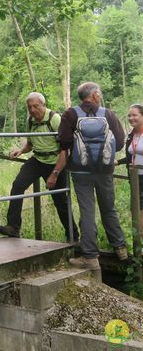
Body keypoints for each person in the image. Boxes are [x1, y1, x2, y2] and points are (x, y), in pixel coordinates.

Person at [46, 82, 127, 270]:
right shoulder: (108, 114)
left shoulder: (70, 114)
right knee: (109, 208)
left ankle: (90, 257)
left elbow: (64, 143)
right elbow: (121, 142)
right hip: (105, 170)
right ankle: (120, 248)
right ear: (96, 94)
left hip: (80, 170)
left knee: (87, 211)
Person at [0, 92, 79, 242]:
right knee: (18, 186)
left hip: (56, 162)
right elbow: (30, 143)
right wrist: (20, 151)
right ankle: (13, 227)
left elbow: (65, 150)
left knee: (60, 200)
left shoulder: (55, 119)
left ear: (44, 104)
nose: (33, 110)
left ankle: (73, 236)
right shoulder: (30, 121)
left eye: (36, 106)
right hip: (38, 160)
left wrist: (54, 174)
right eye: (30, 107)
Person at [118, 104, 143, 210]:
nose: (131, 118)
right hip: (134, 177)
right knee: (137, 207)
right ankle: (137, 227)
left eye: (134, 115)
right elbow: (130, 157)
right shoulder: (131, 135)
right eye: (129, 116)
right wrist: (117, 162)